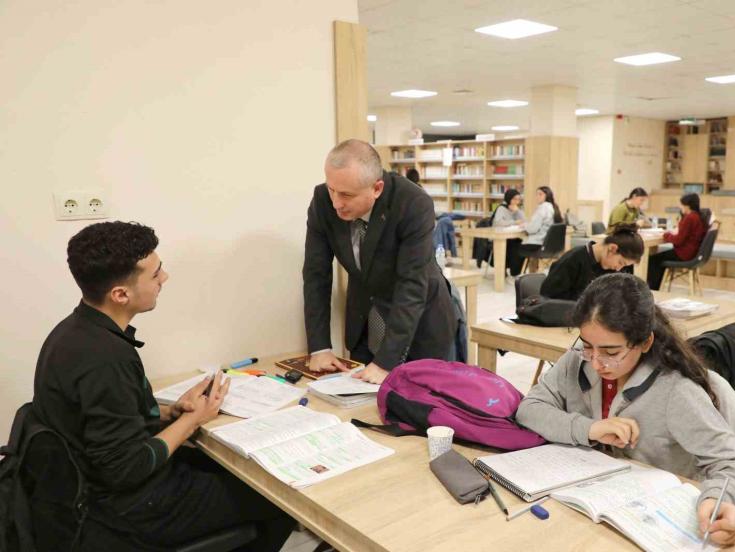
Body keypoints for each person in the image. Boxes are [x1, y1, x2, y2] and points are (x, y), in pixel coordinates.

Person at [30, 221, 294, 550]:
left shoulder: (73, 332)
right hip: (126, 507)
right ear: (120, 294)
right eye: (155, 274)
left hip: (93, 487)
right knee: (280, 498)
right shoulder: (105, 358)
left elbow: (102, 423)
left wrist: (170, 413)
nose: (164, 278)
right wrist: (192, 420)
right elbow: (124, 469)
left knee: (241, 471)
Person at [517, 273, 735, 547]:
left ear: (645, 343)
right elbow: (529, 409)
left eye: (611, 353)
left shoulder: (677, 390)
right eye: (587, 346)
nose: (596, 363)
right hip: (609, 500)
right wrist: (589, 428)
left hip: (671, 511)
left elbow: (733, 466)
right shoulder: (578, 360)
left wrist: (720, 500)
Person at [303, 139, 456, 384]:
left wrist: (386, 362)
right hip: (364, 325)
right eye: (332, 189)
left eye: (346, 195)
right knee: (359, 402)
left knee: (416, 401)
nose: (336, 203)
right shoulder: (323, 200)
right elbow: (316, 275)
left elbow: (411, 285)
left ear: (377, 188)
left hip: (417, 326)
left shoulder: (412, 203)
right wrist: (320, 347)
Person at [540, 223, 644, 300]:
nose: (618, 268)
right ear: (612, 248)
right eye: (620, 263)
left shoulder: (609, 268)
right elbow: (547, 297)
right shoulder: (572, 261)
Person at [647, 192, 708, 290]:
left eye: (682, 205)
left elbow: (678, 240)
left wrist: (665, 235)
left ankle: (653, 289)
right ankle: (654, 287)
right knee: (658, 258)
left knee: (653, 260)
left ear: (687, 205)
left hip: (684, 253)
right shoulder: (698, 216)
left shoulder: (690, 218)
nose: (680, 207)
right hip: (693, 253)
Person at [516, 186, 564, 272]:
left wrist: (525, 226)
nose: (537, 196)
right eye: (537, 194)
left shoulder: (543, 208)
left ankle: (516, 273)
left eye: (540, 194)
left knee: (514, 247)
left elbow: (533, 229)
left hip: (539, 245)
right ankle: (532, 273)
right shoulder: (553, 207)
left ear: (547, 195)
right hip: (552, 247)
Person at [491, 188, 526, 277]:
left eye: (518, 199)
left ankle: (516, 272)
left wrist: (517, 211)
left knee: (522, 245)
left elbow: (524, 221)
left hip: (513, 236)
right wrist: (514, 222)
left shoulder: (518, 208)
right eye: (514, 199)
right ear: (509, 198)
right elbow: (498, 223)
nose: (516, 201)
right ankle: (509, 271)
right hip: (500, 237)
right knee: (514, 247)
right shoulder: (501, 208)